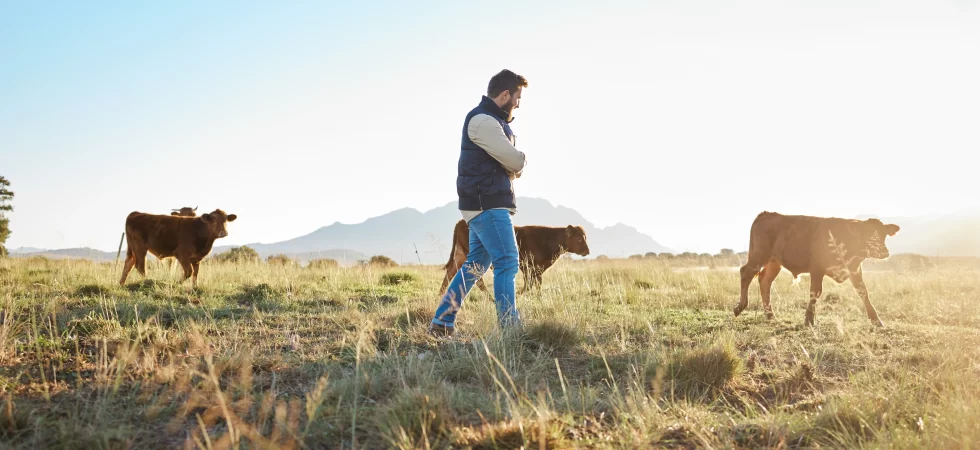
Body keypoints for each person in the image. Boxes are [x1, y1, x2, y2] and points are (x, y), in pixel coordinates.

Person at [428, 69, 529, 337]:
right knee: (507, 262)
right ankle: (510, 329)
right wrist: (518, 163)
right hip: (488, 204)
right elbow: (516, 161)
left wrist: (512, 164)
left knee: (475, 265)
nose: (518, 104)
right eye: (517, 98)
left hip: (484, 202)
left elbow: (509, 162)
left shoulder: (491, 122)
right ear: (505, 94)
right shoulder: (483, 121)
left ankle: (442, 322)